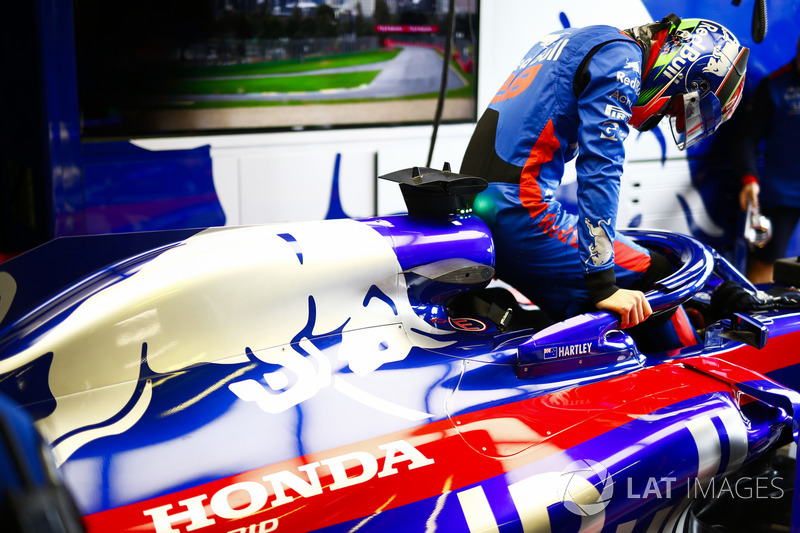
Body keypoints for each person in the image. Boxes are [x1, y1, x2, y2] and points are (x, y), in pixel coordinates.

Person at [461, 14, 749, 343]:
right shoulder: (620, 57)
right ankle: (678, 383)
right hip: (521, 215)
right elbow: (601, 167)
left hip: (479, 207)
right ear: (683, 68)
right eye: (677, 105)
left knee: (623, 265)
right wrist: (602, 283)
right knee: (659, 274)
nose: (667, 113)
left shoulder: (574, 39)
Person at [735, 34, 800, 284]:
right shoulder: (774, 85)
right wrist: (748, 179)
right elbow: (746, 139)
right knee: (764, 271)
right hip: (779, 196)